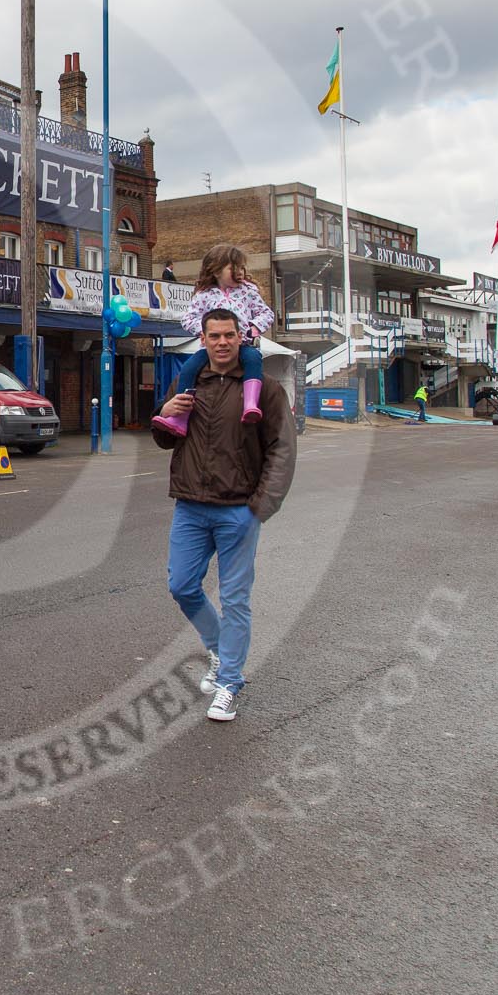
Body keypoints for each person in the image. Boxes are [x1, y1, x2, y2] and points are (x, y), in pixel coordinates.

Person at [153, 306, 296, 723]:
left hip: (238, 510)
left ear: (240, 338)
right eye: (213, 336)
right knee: (181, 585)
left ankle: (229, 683)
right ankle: (219, 649)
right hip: (191, 506)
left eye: (228, 335)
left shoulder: (264, 389)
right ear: (204, 339)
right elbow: (165, 439)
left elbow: (282, 449)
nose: (220, 342)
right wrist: (167, 412)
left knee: (235, 599)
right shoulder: (189, 381)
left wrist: (261, 505)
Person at [151, 244, 274, 437]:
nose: (240, 272)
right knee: (189, 368)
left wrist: (253, 328)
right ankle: (180, 417)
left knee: (253, 359)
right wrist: (206, 332)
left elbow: (266, 313)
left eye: (242, 268)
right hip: (207, 350)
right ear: (216, 269)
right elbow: (187, 319)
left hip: (243, 344)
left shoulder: (248, 291)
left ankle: (250, 404)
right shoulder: (204, 294)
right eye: (234, 268)